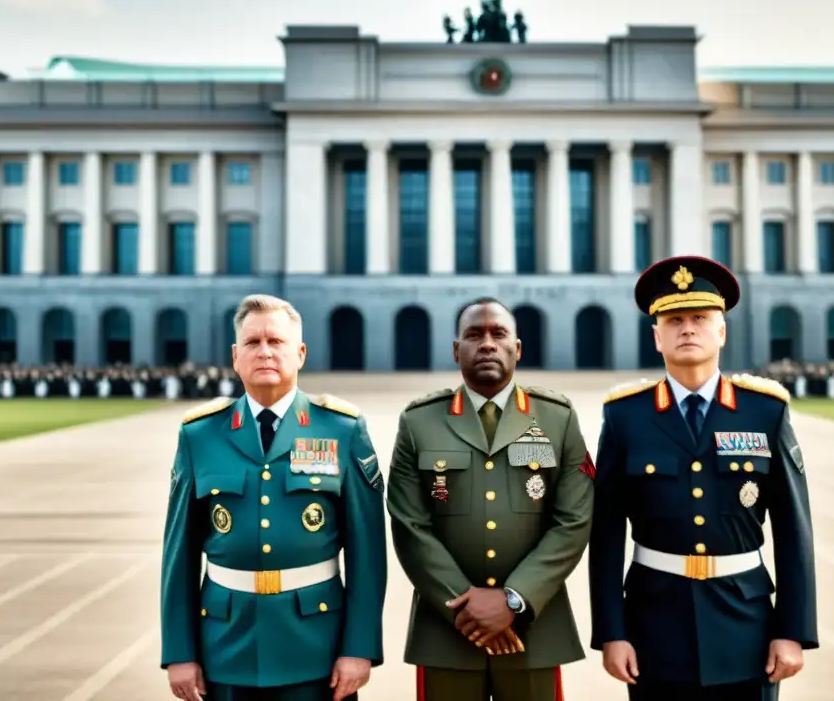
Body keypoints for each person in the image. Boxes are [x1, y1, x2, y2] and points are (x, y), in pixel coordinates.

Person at [588, 256, 818, 700]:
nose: (687, 329)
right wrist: (612, 633)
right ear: (657, 336)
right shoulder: (625, 416)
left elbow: (794, 530)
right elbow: (606, 534)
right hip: (654, 627)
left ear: (722, 331)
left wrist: (793, 630)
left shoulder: (765, 410)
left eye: (699, 318)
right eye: (674, 320)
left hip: (746, 627)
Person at [160, 294, 387, 701]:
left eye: (276, 342)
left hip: (316, 646)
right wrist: (180, 652)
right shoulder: (200, 435)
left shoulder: (341, 429)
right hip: (224, 646)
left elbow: (367, 553)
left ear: (299, 353)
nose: (264, 351)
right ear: (235, 355)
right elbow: (179, 554)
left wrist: (359, 648)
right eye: (252, 342)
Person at [386, 297, 595, 701]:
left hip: (532, 628)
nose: (486, 344)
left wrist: (514, 600)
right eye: (474, 335)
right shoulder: (419, 422)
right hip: (447, 630)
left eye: (499, 334)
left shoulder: (557, 418)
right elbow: (410, 527)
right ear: (455, 350)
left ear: (517, 349)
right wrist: (470, 611)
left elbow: (573, 521)